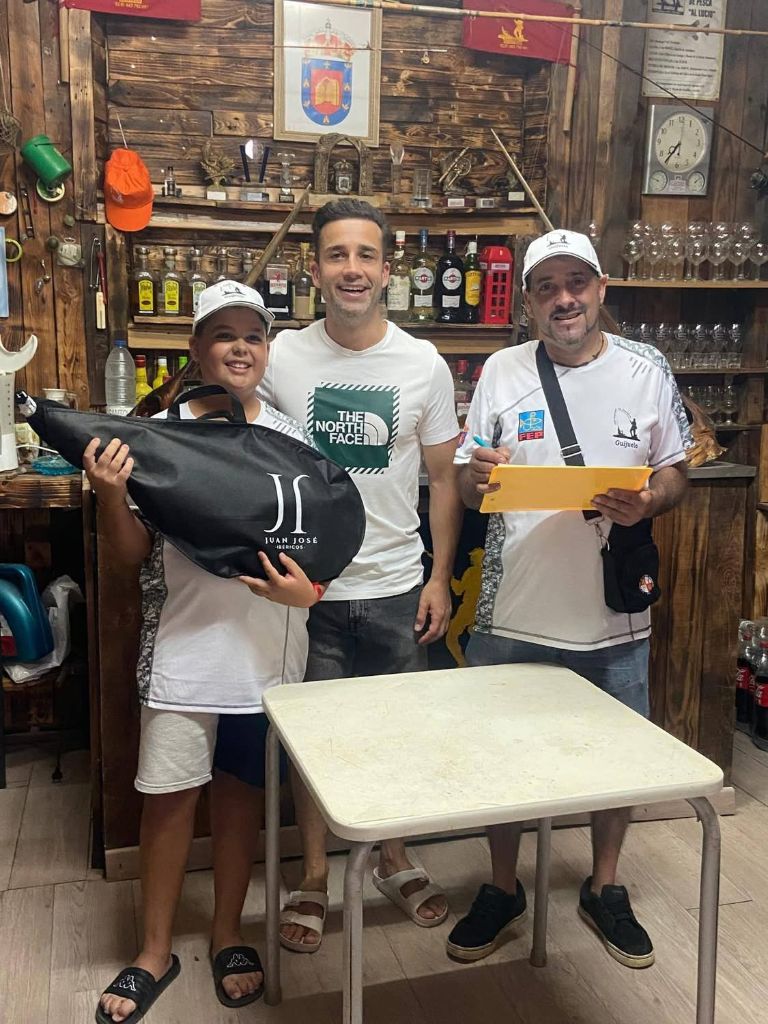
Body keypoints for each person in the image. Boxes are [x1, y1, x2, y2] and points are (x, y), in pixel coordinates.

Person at [449, 229, 691, 969]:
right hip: (512, 609)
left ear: (601, 289)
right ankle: (502, 886)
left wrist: (649, 500)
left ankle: (605, 885)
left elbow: (675, 470)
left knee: (620, 758)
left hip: (612, 612)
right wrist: (476, 475)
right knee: (498, 756)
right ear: (526, 301)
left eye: (576, 283)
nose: (564, 299)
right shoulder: (501, 370)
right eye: (546, 286)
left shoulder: (646, 368)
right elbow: (466, 481)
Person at [235, 198, 463, 950]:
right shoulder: (283, 357)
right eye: (337, 255)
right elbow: (249, 450)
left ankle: (394, 857)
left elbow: (443, 479)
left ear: (388, 269)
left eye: (366, 255)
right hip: (309, 589)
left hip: (397, 585)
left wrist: (438, 578)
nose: (352, 269)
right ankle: (312, 874)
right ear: (315, 270)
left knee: (398, 734)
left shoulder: (423, 364)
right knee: (313, 743)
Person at [94, 281, 325, 1023]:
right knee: (168, 802)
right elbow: (129, 554)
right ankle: (153, 951)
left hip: (268, 658)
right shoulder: (159, 433)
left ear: (267, 349)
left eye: (253, 335)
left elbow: (320, 545)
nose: (240, 348)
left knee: (240, 800)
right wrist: (110, 495)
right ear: (196, 349)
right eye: (223, 334)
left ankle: (229, 934)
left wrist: (308, 594)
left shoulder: (290, 437)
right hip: (183, 653)